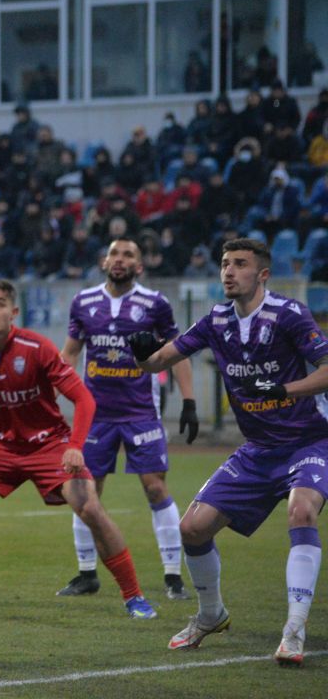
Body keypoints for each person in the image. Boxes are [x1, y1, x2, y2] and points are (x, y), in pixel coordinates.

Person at [130, 238, 328, 665]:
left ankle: (294, 630)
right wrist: (142, 355)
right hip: (257, 450)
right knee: (192, 529)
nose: (228, 271)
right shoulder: (215, 319)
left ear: (262, 275)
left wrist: (284, 389)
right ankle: (210, 615)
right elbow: (161, 359)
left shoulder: (288, 314)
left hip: (308, 441)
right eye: (224, 263)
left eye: (239, 264)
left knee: (302, 512)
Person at [0, 279, 157, 619]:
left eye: (0, 303)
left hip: (50, 444)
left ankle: (134, 597)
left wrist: (75, 446)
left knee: (89, 505)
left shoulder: (37, 347)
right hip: (0, 446)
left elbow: (84, 399)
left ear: (13, 312)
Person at [56, 239, 198, 601]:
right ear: (105, 260)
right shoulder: (84, 302)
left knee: (155, 487)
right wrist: (50, 397)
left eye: (128, 255)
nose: (119, 260)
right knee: (85, 492)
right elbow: (70, 354)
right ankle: (87, 573)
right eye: (115, 253)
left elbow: (179, 352)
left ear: (139, 265)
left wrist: (189, 402)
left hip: (140, 412)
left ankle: (172, 576)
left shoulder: (155, 304)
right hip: (95, 414)